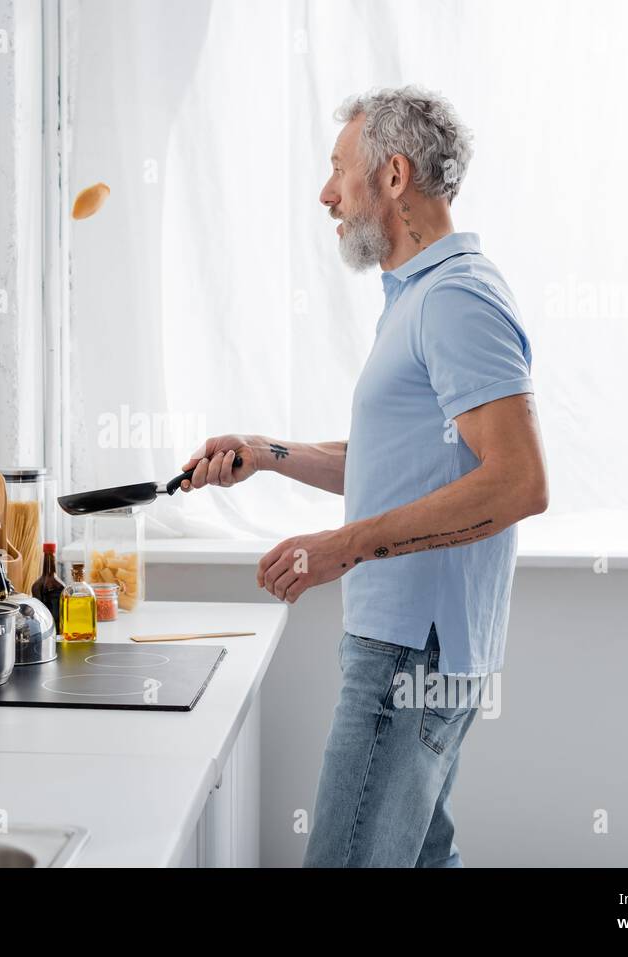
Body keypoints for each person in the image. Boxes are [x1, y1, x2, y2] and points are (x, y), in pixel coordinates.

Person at [179, 86, 549, 867]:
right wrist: (267, 451)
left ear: (393, 176)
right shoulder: (418, 297)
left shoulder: (457, 299)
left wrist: (344, 546)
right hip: (410, 648)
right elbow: (399, 462)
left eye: (339, 170)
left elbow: (518, 481)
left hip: (410, 654)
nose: (326, 194)